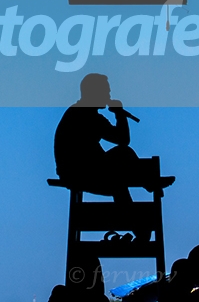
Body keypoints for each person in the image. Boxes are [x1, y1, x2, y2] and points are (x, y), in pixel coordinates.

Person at [54, 73, 173, 241]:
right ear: (94, 92)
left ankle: (142, 222)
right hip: (80, 172)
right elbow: (122, 139)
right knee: (121, 163)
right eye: (105, 91)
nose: (108, 95)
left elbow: (119, 141)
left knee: (120, 172)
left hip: (81, 170)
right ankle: (148, 186)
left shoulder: (81, 112)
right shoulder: (87, 116)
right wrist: (120, 114)